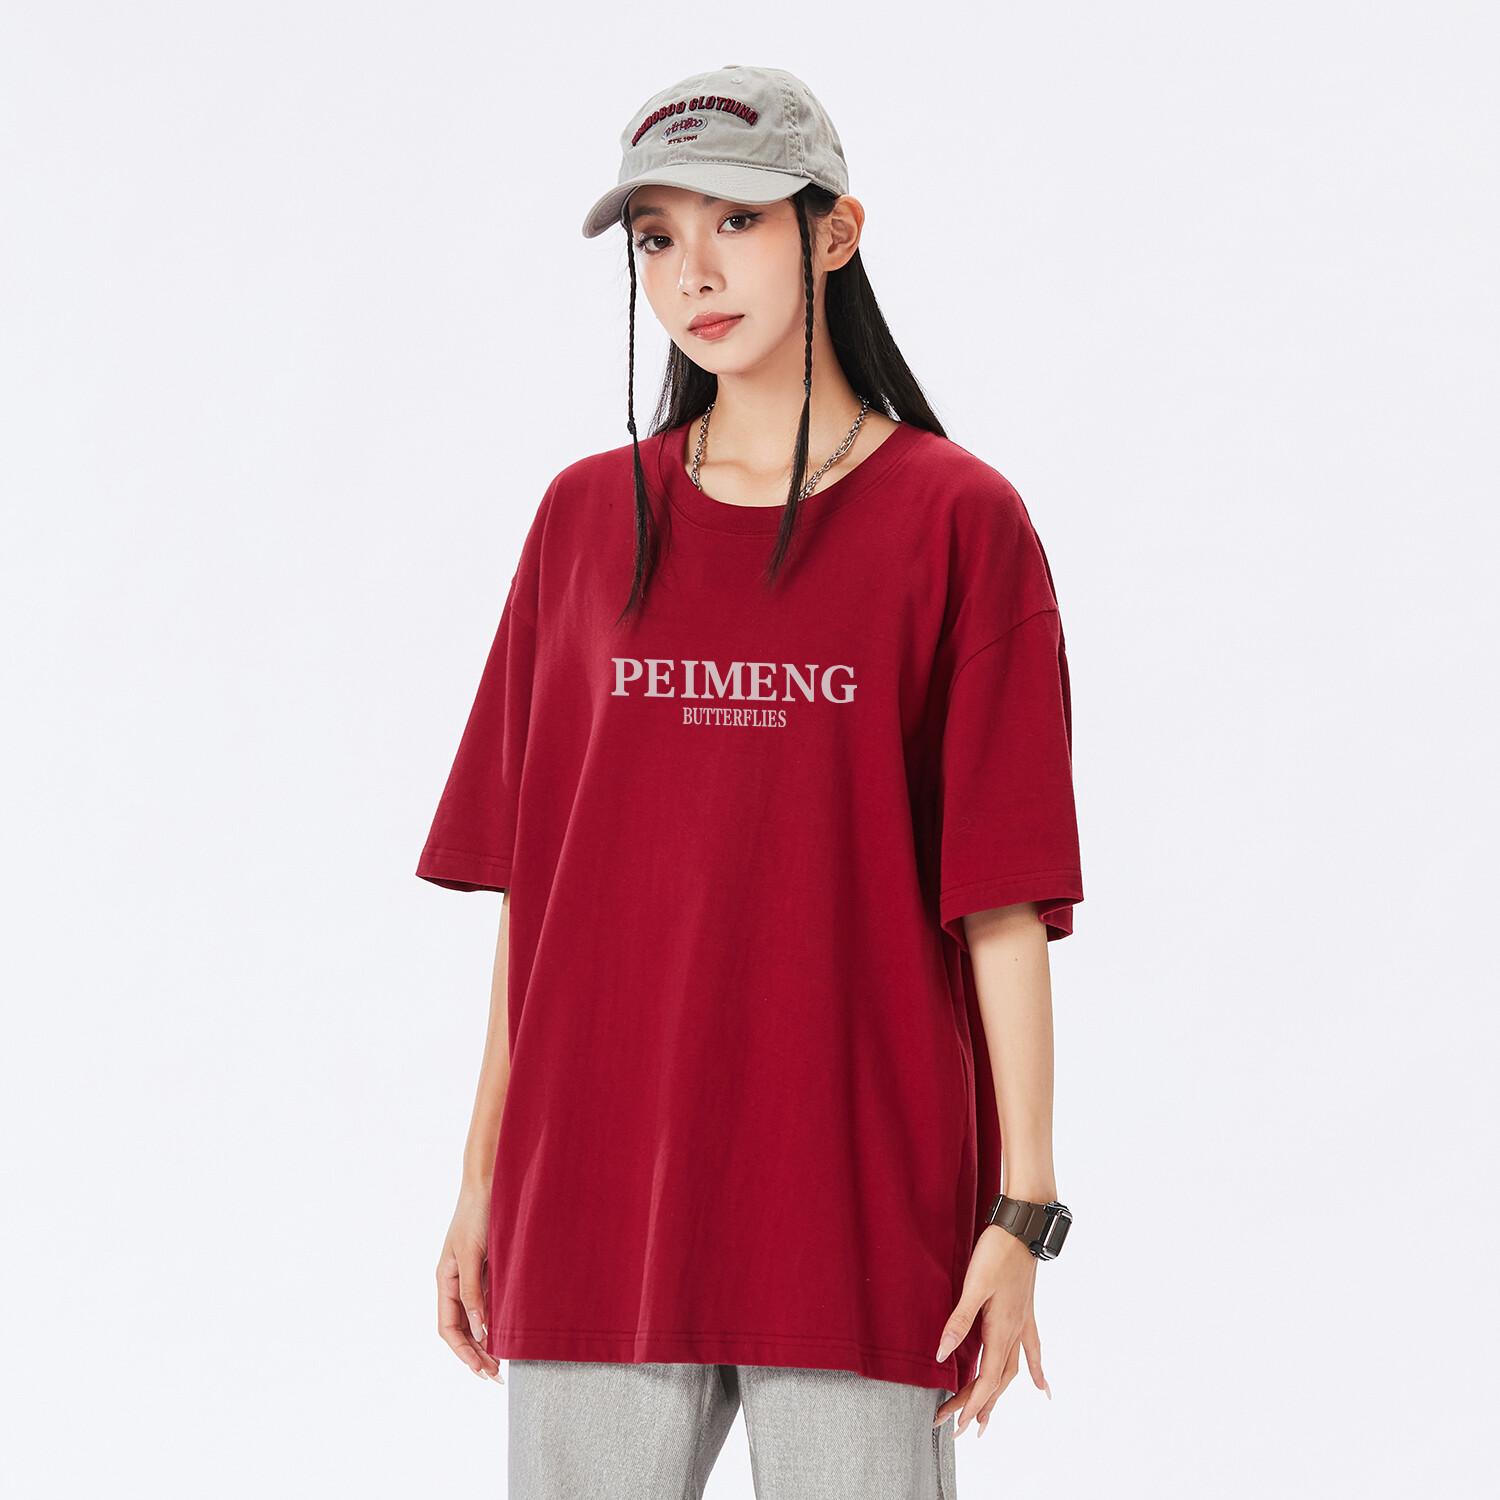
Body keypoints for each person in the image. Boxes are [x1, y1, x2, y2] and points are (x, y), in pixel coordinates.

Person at [417, 63, 1085, 1500]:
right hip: (594, 1206)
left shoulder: (959, 523)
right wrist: (481, 1181)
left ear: (834, 232)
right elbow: (541, 898)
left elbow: (1003, 897)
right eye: (657, 237)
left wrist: (1022, 1211)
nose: (693, 274)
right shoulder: (584, 523)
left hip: (854, 1205)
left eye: (735, 222)